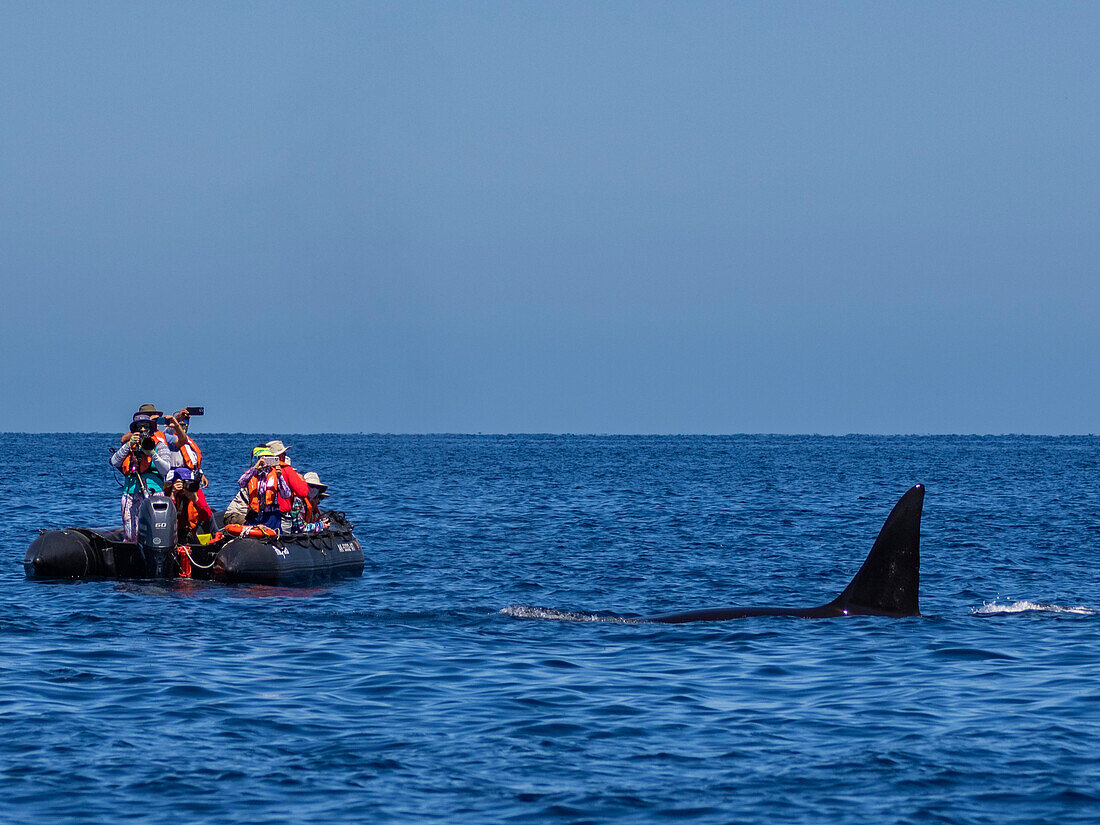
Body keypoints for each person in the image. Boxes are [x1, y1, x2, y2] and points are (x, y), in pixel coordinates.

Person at [110, 410, 172, 541]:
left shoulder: (159, 445)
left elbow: (165, 469)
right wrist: (128, 445)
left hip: (154, 494)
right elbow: (114, 461)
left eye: (146, 426)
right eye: (139, 427)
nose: (143, 429)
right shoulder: (129, 446)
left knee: (153, 531)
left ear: (151, 429)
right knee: (131, 533)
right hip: (130, 494)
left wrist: (152, 453)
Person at [238, 445, 299, 532]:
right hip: (254, 516)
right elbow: (241, 483)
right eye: (262, 458)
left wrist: (280, 477)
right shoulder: (251, 474)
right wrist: (255, 468)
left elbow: (286, 495)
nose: (265, 461)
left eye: (268, 458)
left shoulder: (274, 474)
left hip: (272, 517)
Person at [164, 467, 213, 544]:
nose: (184, 485)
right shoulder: (168, 492)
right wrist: (173, 495)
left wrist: (195, 500)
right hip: (171, 533)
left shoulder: (196, 492)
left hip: (190, 532)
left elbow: (207, 516)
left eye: (187, 482)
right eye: (182, 482)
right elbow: (165, 517)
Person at [163, 409, 202, 474]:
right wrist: (177, 419)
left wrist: (200, 473)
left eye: (185, 421)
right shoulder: (169, 437)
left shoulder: (188, 441)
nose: (183, 423)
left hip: (191, 475)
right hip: (175, 475)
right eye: (180, 421)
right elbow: (168, 431)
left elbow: (193, 460)